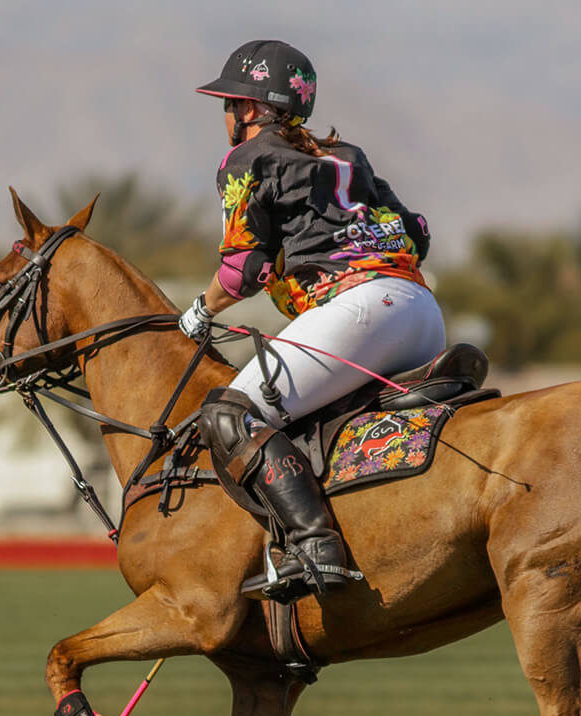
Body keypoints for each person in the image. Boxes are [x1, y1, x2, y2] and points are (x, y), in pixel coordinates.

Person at [179, 39, 445, 603]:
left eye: (230, 103)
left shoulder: (246, 159)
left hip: (359, 314)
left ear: (250, 109)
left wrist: (198, 314)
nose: (226, 115)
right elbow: (417, 231)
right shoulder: (346, 153)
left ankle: (314, 546)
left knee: (229, 414)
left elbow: (241, 270)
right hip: (422, 311)